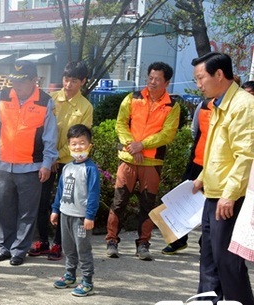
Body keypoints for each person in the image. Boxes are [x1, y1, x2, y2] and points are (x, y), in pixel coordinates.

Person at [185, 52, 254, 305]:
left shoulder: (244, 105)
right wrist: (202, 177)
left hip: (229, 195)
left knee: (228, 257)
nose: (198, 84)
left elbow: (245, 153)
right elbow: (215, 149)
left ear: (219, 75)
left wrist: (230, 194)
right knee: (209, 254)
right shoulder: (218, 103)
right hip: (214, 189)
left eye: (200, 78)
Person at [105, 61, 180, 260]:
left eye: (157, 79)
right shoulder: (132, 98)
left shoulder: (173, 106)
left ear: (167, 82)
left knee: (147, 205)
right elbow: (120, 124)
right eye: (150, 78)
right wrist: (132, 145)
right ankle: (111, 240)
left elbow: (168, 134)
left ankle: (143, 244)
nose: (152, 82)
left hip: (152, 163)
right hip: (128, 159)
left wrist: (143, 145)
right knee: (119, 202)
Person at [0, 60, 58, 266]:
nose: (16, 86)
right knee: (3, 209)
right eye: (13, 82)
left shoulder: (45, 102)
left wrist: (47, 163)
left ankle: (19, 250)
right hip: (4, 165)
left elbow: (50, 136)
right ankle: (4, 248)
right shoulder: (2, 97)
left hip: (31, 167)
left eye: (21, 82)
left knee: (27, 212)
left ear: (34, 80)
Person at [29, 62, 94, 261]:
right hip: (48, 160)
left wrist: (56, 156)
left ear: (83, 81)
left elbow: (81, 138)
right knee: (41, 200)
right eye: (66, 79)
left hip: (69, 162)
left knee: (65, 203)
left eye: (74, 80)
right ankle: (42, 241)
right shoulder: (51, 99)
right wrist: (50, 156)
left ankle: (59, 243)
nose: (68, 84)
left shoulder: (86, 107)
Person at [50, 125, 100, 296]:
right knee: (68, 248)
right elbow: (60, 190)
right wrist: (55, 209)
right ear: (69, 146)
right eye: (74, 144)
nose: (78, 147)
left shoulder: (90, 169)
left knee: (83, 249)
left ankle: (87, 281)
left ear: (89, 145)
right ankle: (69, 275)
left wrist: (89, 216)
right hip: (65, 214)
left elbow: (93, 194)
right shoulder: (67, 167)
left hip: (81, 218)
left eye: (82, 143)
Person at [161, 97, 212, 254]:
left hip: (218, 166)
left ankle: (207, 244)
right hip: (198, 161)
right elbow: (194, 130)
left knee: (211, 204)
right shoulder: (204, 105)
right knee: (185, 200)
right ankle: (178, 240)